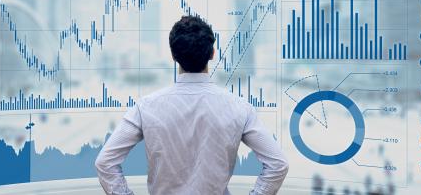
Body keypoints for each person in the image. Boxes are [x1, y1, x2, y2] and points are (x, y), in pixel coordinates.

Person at [95, 15, 288, 194]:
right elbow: (277, 165)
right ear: (213, 53)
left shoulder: (145, 107)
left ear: (173, 55)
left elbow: (105, 163)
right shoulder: (239, 108)